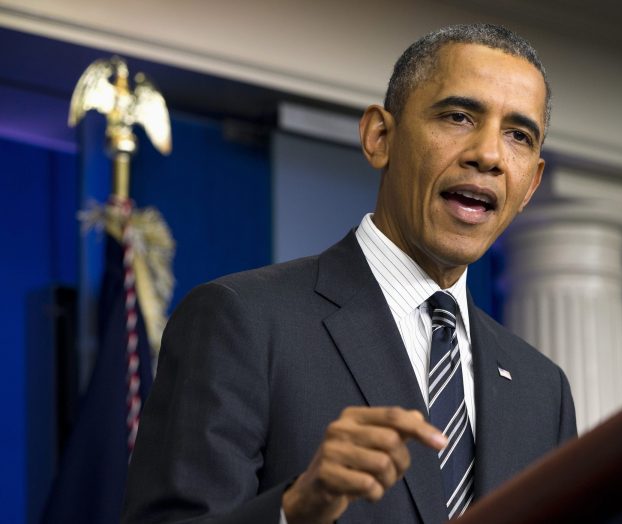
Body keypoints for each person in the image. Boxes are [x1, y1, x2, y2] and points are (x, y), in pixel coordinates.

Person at [122, 23, 577, 524]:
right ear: (379, 137)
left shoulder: (543, 390)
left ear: (530, 184)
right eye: (458, 116)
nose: (488, 155)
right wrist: (295, 509)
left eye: (518, 135)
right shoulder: (241, 320)